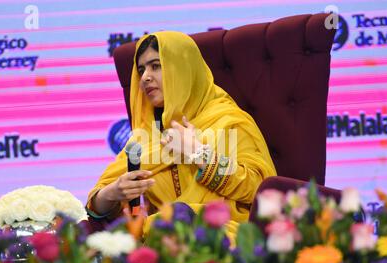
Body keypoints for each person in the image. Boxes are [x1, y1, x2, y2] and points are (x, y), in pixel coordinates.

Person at [86, 31, 276, 240]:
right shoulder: (144, 138)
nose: (145, 77)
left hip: (223, 239)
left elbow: (259, 190)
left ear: (182, 69)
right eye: (141, 70)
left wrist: (199, 154)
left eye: (156, 66)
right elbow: (96, 204)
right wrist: (113, 192)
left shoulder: (227, 121)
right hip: (163, 242)